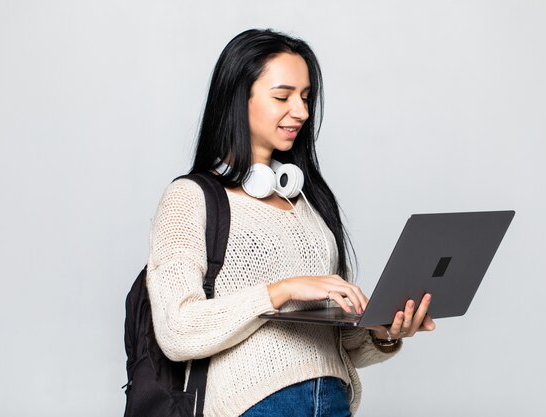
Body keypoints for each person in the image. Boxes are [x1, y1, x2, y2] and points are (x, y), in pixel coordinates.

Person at [145, 28, 436, 417]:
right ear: (237, 98)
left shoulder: (307, 203)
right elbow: (177, 329)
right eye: (282, 96)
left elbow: (332, 340)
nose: (301, 111)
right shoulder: (190, 199)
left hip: (332, 399)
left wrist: (382, 332)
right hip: (252, 405)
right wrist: (280, 291)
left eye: (305, 97)